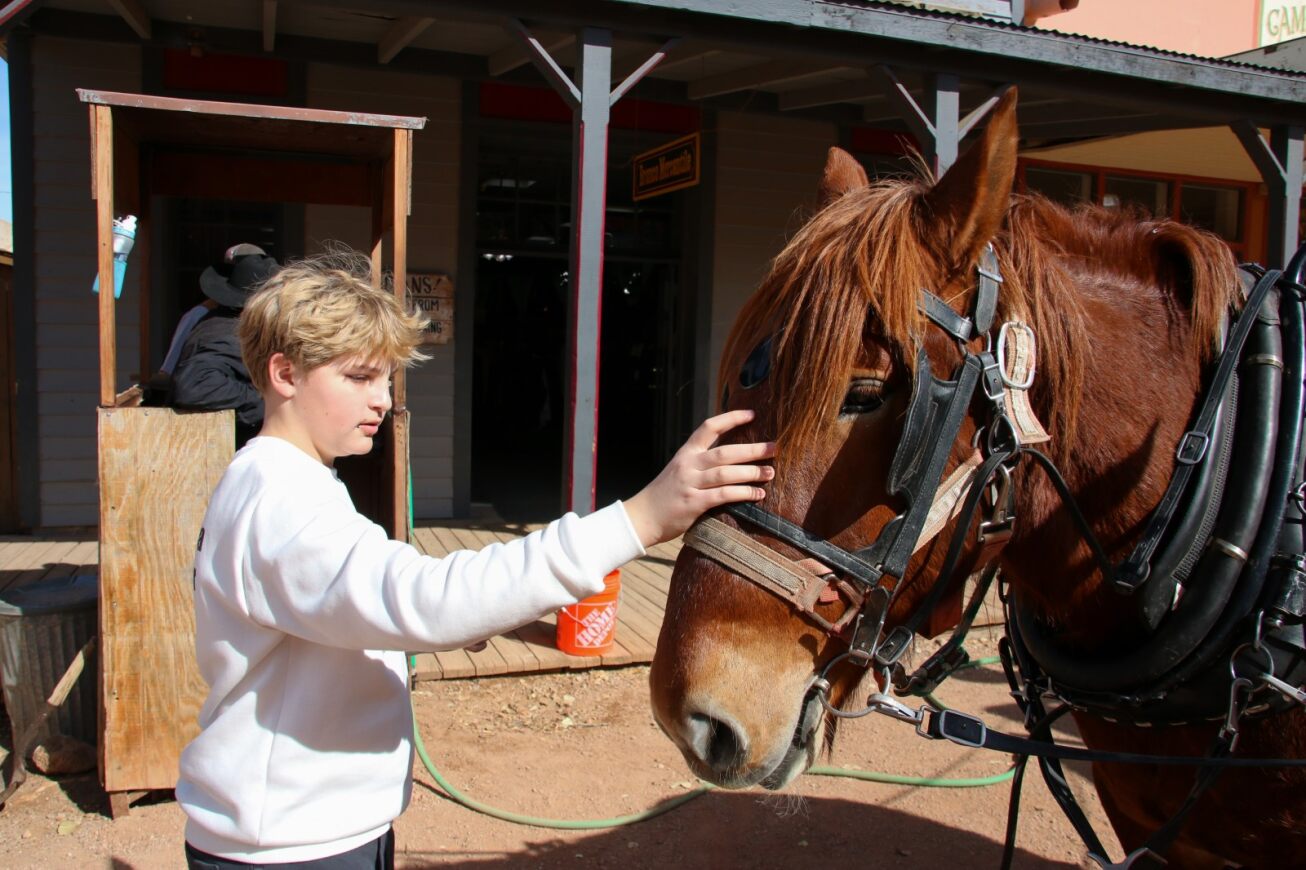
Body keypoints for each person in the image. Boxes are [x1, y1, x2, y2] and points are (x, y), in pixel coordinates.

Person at [175, 251, 776, 869]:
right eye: (359, 377)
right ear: (284, 373)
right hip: (286, 846)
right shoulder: (281, 502)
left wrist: (490, 610)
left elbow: (353, 605)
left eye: (388, 378)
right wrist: (645, 517)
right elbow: (421, 600)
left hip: (311, 824)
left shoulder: (291, 481)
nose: (382, 399)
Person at [170, 244, 281, 446]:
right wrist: (265, 403)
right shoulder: (226, 332)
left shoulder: (226, 324)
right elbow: (195, 384)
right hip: (222, 450)